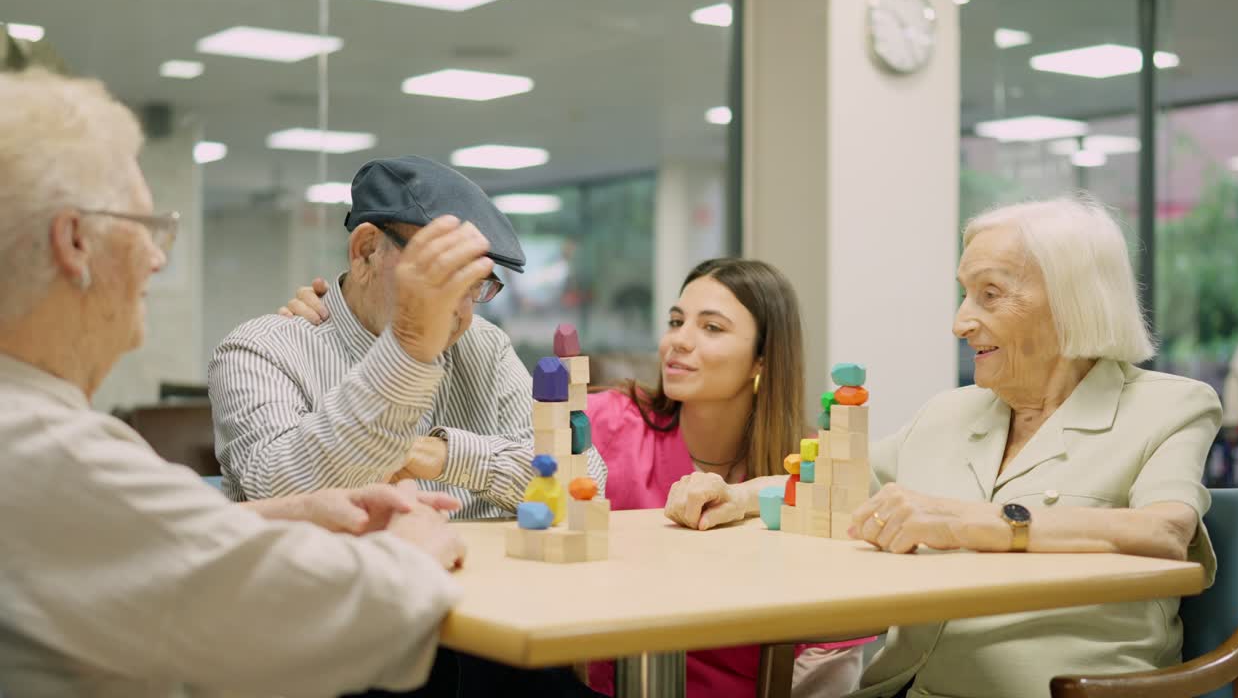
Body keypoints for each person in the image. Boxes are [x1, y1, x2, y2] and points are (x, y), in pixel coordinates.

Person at [0, 68, 468, 697]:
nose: (157, 257)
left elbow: (137, 543)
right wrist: (413, 548)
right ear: (76, 242)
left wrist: (288, 514)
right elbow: (313, 619)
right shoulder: (44, 452)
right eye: (143, 226)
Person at [667, 196, 1221, 698]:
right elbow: (831, 484)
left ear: (1071, 302)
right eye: (964, 294)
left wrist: (971, 523)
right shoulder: (949, 413)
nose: (960, 322)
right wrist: (734, 495)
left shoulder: (1169, 407)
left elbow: (1165, 532)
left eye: (990, 294)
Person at [281, 257, 865, 698]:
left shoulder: (802, 463)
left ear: (763, 359)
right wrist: (336, 313)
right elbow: (526, 461)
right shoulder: (610, 422)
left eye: (712, 328)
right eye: (676, 320)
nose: (679, 341)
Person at [208, 155, 605, 517]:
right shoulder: (260, 350)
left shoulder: (485, 346)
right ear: (366, 251)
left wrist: (444, 455)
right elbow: (280, 489)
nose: (461, 314)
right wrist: (407, 352)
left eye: (476, 287)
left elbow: (584, 481)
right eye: (440, 275)